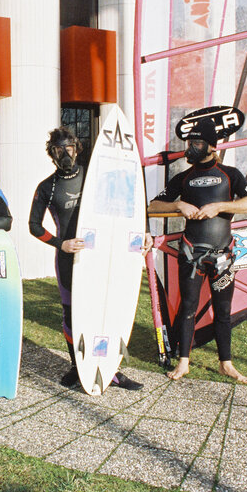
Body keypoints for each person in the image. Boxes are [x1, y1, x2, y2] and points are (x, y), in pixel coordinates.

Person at [28, 127, 148, 390]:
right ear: (52, 153)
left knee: (108, 309)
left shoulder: (96, 178)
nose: (64, 154)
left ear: (77, 148)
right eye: (58, 150)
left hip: (102, 258)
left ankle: (111, 370)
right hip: (70, 260)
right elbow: (34, 226)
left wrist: (141, 235)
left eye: (68, 148)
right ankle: (77, 366)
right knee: (72, 315)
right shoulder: (47, 187)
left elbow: (126, 207)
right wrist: (61, 244)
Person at [147, 117, 247, 383]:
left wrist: (221, 207)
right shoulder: (183, 178)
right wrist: (179, 206)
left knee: (223, 311)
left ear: (212, 146)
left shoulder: (230, 174)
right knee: (187, 308)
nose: (191, 147)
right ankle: (183, 363)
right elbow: (153, 206)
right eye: (189, 143)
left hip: (223, 255)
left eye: (197, 142)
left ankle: (226, 364)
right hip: (190, 254)